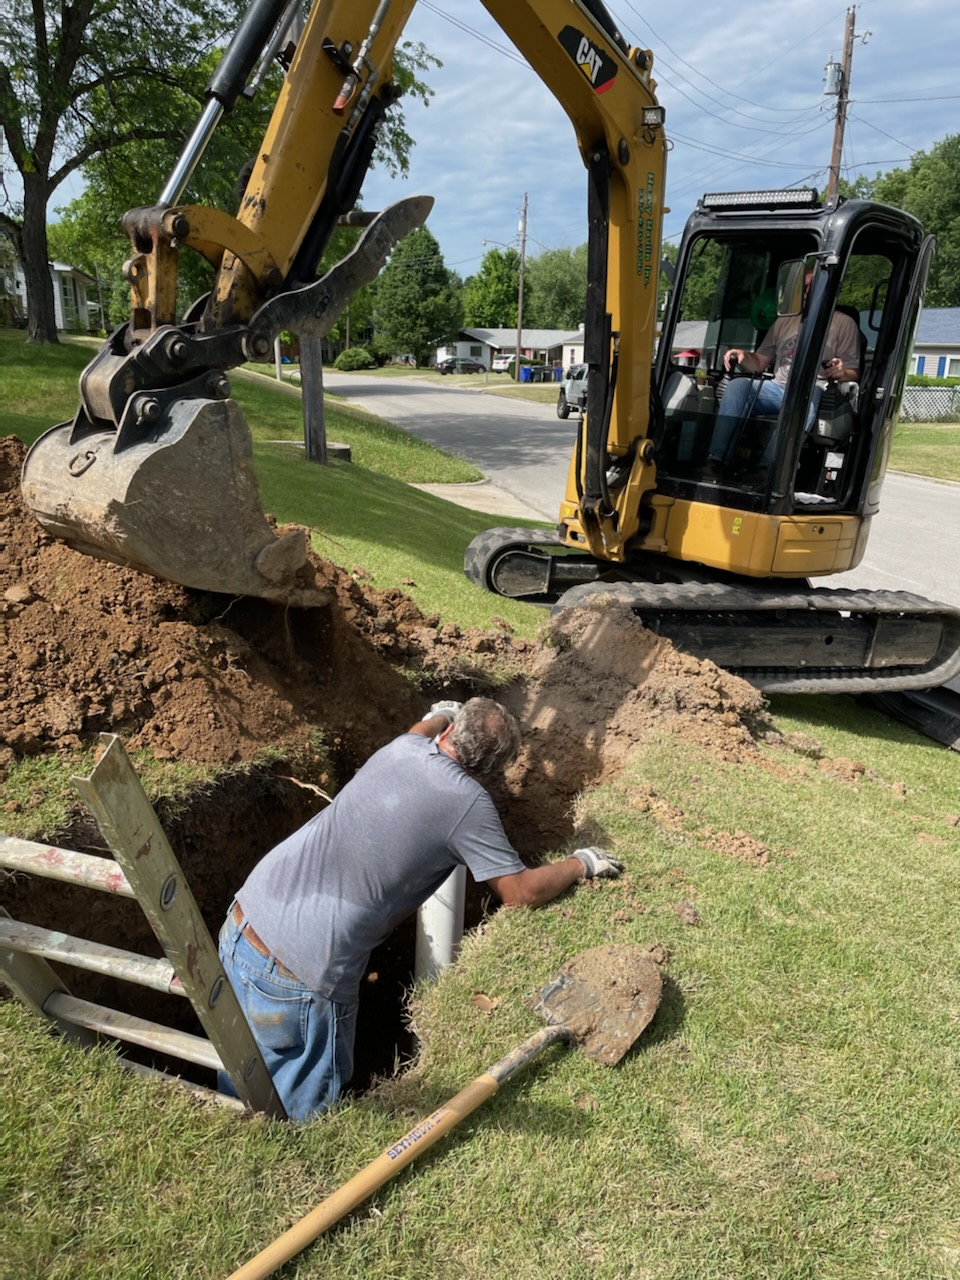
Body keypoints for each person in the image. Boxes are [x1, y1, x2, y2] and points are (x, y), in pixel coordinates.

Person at [217, 696, 623, 1122]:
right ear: (491, 771)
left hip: (244, 920)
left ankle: (234, 1133)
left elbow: (420, 731)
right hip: (302, 971)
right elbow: (520, 891)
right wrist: (581, 863)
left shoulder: (401, 749)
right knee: (304, 1118)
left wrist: (441, 715)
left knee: (241, 1074)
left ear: (448, 733)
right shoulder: (468, 804)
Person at [706, 274, 861, 478]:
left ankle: (769, 468)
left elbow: (854, 372)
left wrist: (842, 372)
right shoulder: (784, 321)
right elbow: (760, 360)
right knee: (738, 386)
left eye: (812, 286)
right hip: (777, 388)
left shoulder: (844, 323)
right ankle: (716, 461)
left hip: (813, 389)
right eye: (804, 287)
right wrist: (743, 356)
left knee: (802, 397)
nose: (806, 291)